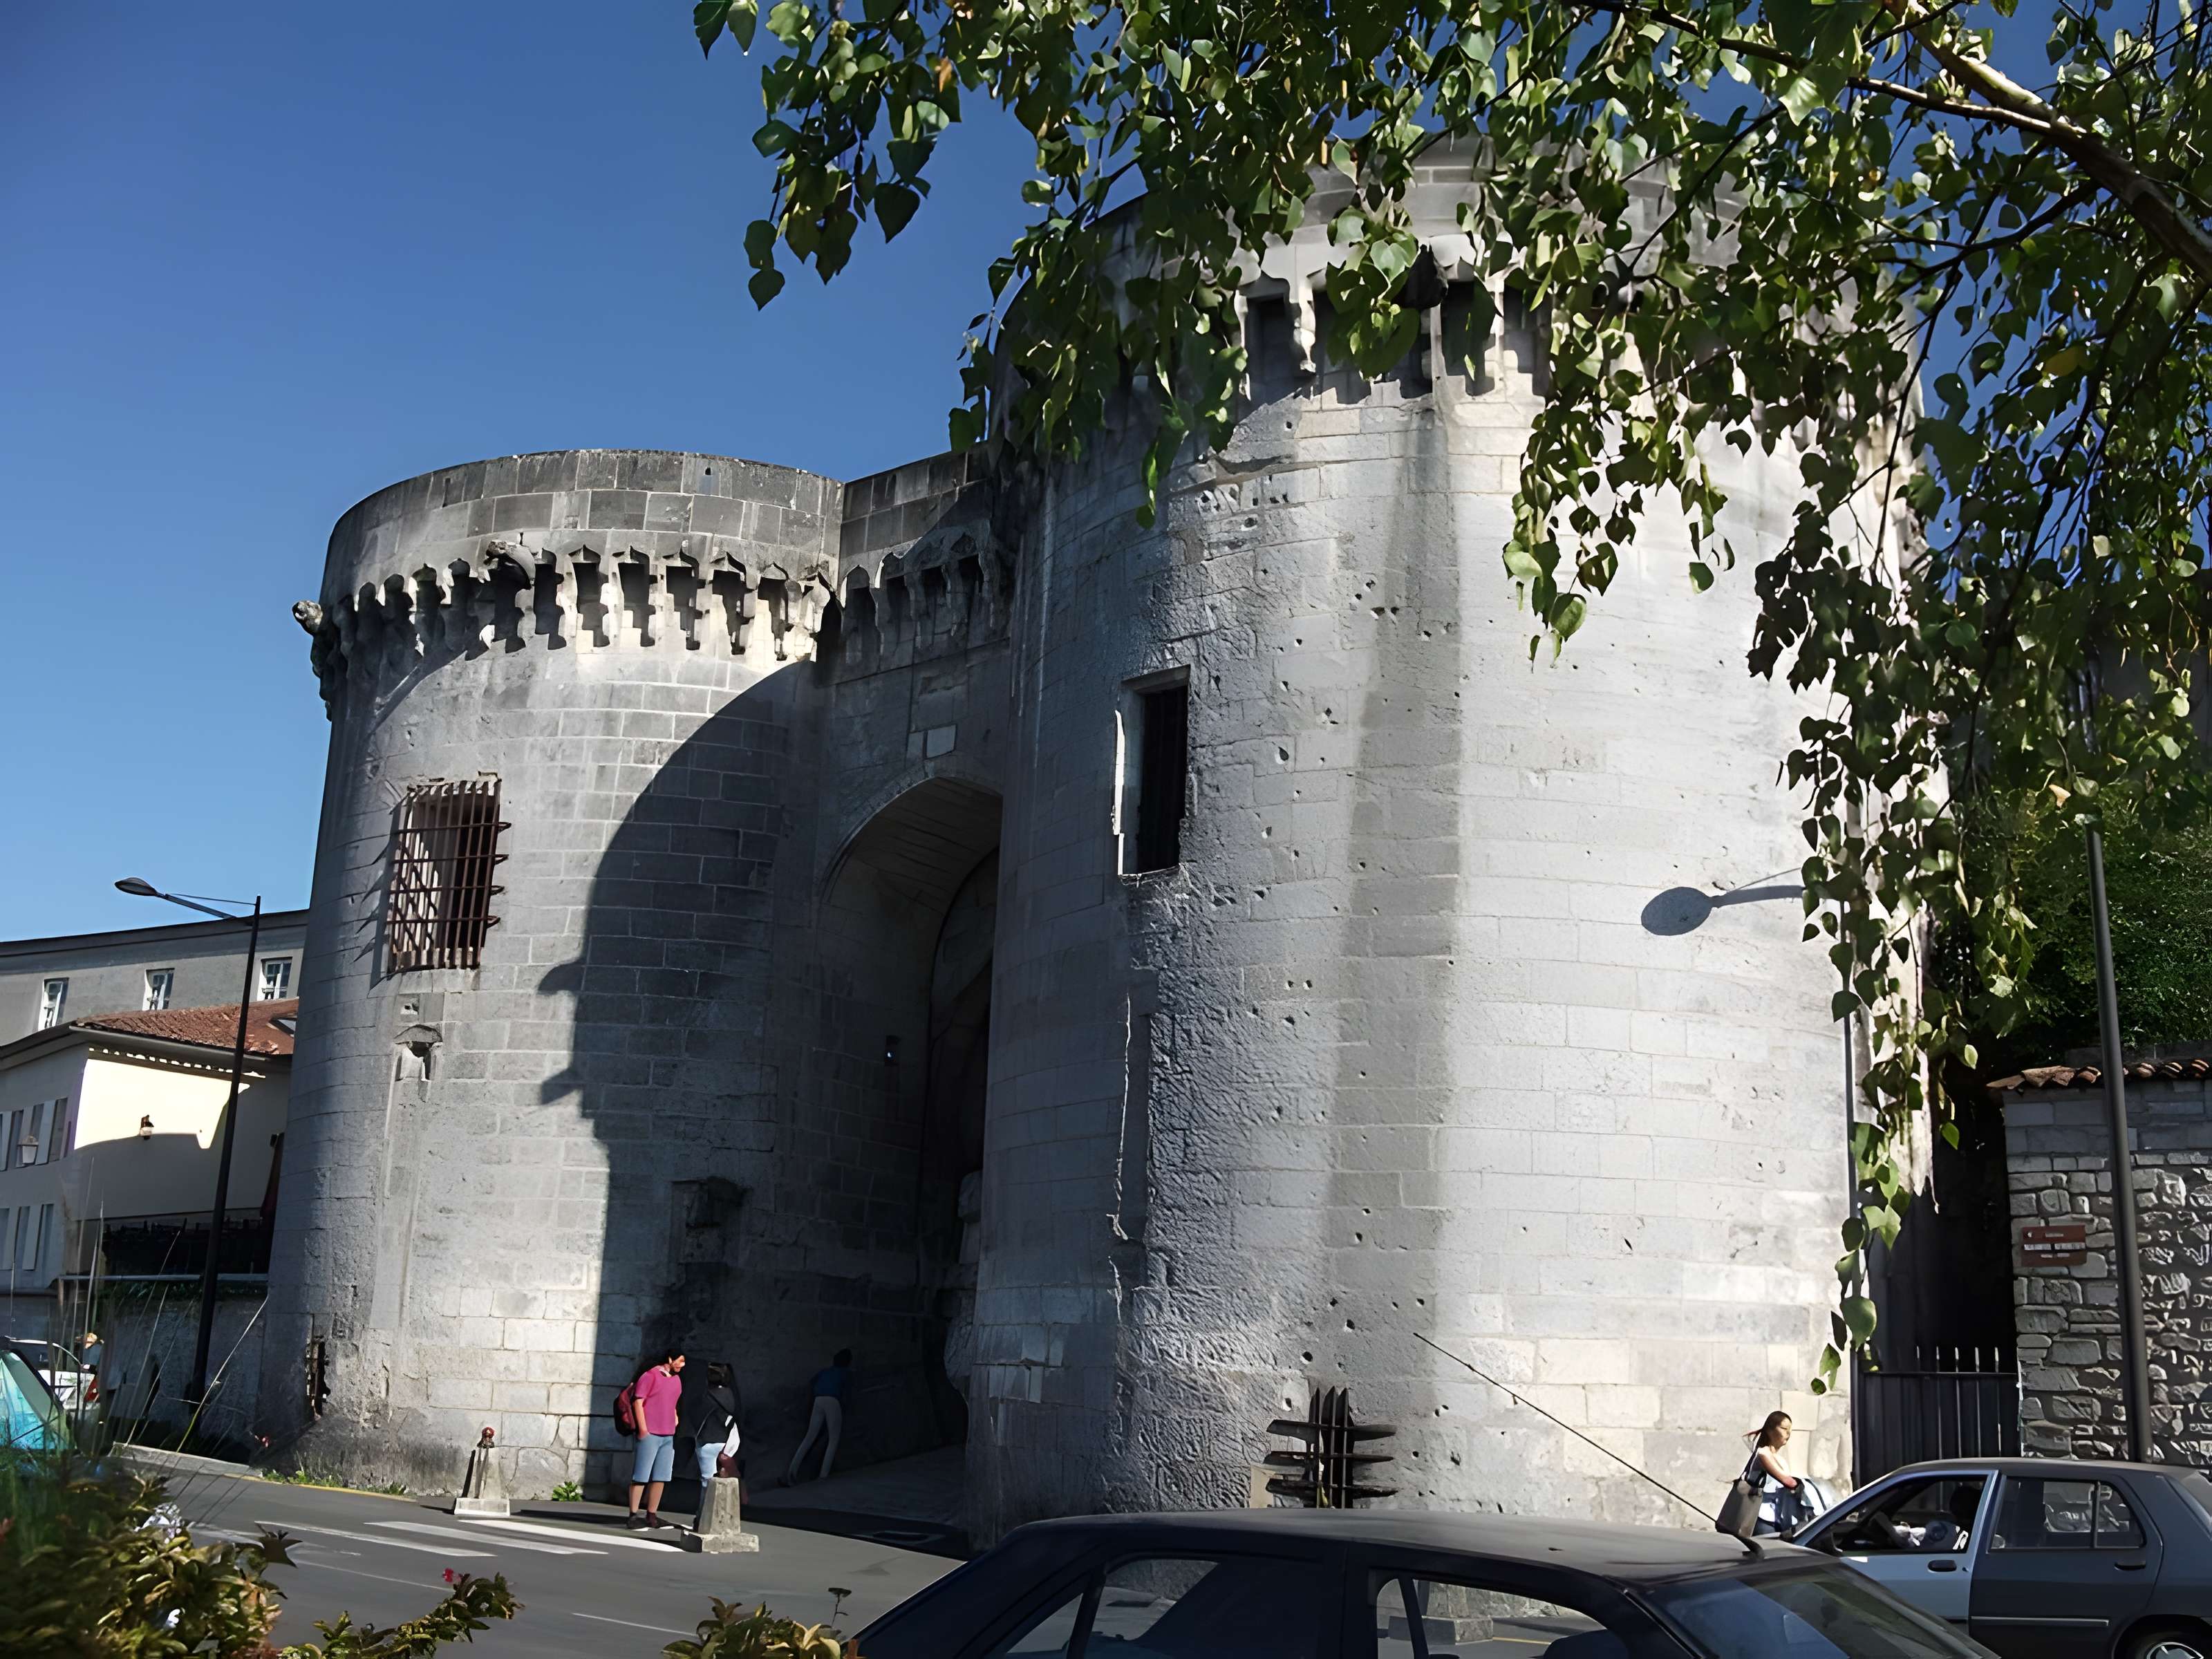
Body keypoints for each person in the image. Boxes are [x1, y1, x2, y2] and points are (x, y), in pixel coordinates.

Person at [626, 1349, 685, 1528]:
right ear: (670, 1359)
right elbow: (638, 1401)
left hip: (668, 1434)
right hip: (650, 1432)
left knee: (661, 1476)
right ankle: (633, 1515)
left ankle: (652, 1514)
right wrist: (643, 1429)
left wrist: (675, 1416)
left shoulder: (676, 1380)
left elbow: (673, 1401)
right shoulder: (650, 1376)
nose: (682, 1365)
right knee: (641, 1475)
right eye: (680, 1361)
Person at [785, 1348, 852, 1485]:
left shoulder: (825, 1372)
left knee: (809, 1438)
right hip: (833, 1401)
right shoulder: (845, 1373)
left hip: (818, 1400)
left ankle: (792, 1472)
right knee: (833, 1440)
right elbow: (847, 1392)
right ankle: (823, 1477)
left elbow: (811, 1383)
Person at [680, 1361, 743, 1492]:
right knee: (723, 1480)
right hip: (728, 1441)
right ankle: (721, 1509)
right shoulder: (731, 1395)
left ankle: (706, 1511)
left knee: (707, 1481)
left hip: (707, 1441)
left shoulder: (705, 1397)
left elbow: (693, 1415)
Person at [1745, 1410, 1803, 1537]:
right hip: (1761, 1517)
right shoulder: (1763, 1454)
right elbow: (1788, 1482)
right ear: (1770, 1430)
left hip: (1778, 1517)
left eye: (1790, 1430)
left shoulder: (1780, 1459)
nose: (1788, 1433)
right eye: (1784, 1428)